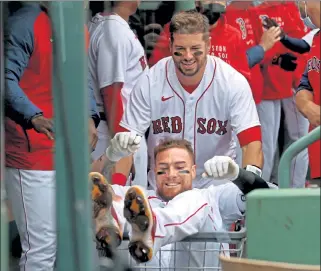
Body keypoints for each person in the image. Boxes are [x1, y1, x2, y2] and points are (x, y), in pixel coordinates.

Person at [120, 10, 263, 190]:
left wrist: (249, 183)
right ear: (170, 45)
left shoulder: (232, 82)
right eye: (180, 49)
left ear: (208, 45)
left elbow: (251, 142)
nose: (188, 56)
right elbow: (127, 141)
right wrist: (117, 189)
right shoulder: (151, 80)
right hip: (164, 189)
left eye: (195, 49)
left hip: (215, 189)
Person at [4, 3, 100, 270]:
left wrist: (91, 116)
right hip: (30, 153)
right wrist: (33, 116)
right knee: (41, 248)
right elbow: (5, 79)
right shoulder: (26, 22)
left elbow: (81, 79)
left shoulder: (76, 26)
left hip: (65, 153)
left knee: (65, 245)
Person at [90, 131, 273, 265]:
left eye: (180, 167)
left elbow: (264, 195)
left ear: (193, 171)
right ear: (154, 173)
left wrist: (236, 174)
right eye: (163, 168)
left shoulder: (211, 196)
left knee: (197, 199)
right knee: (117, 203)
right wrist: (110, 156)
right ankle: (126, 225)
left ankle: (154, 227)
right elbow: (85, 189)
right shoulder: (138, 197)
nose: (171, 174)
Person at [88, 0, 149, 187]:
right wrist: (122, 147)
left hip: (120, 129)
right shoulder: (113, 31)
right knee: (118, 202)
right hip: (115, 131)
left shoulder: (109, 25)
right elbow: (111, 91)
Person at [252, 1, 310, 187]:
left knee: (298, 139)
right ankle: (271, 191)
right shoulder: (257, 11)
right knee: (268, 145)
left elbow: (300, 46)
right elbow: (263, 50)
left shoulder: (290, 7)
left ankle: (292, 189)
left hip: (294, 81)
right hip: (269, 86)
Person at [149, 2, 251, 84]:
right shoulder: (175, 28)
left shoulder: (233, 35)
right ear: (197, 2)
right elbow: (156, 72)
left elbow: (242, 78)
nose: (214, 3)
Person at [295, 0, 320, 185]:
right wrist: (305, 103)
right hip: (317, 146)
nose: (303, 7)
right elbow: (306, 83)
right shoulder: (317, 39)